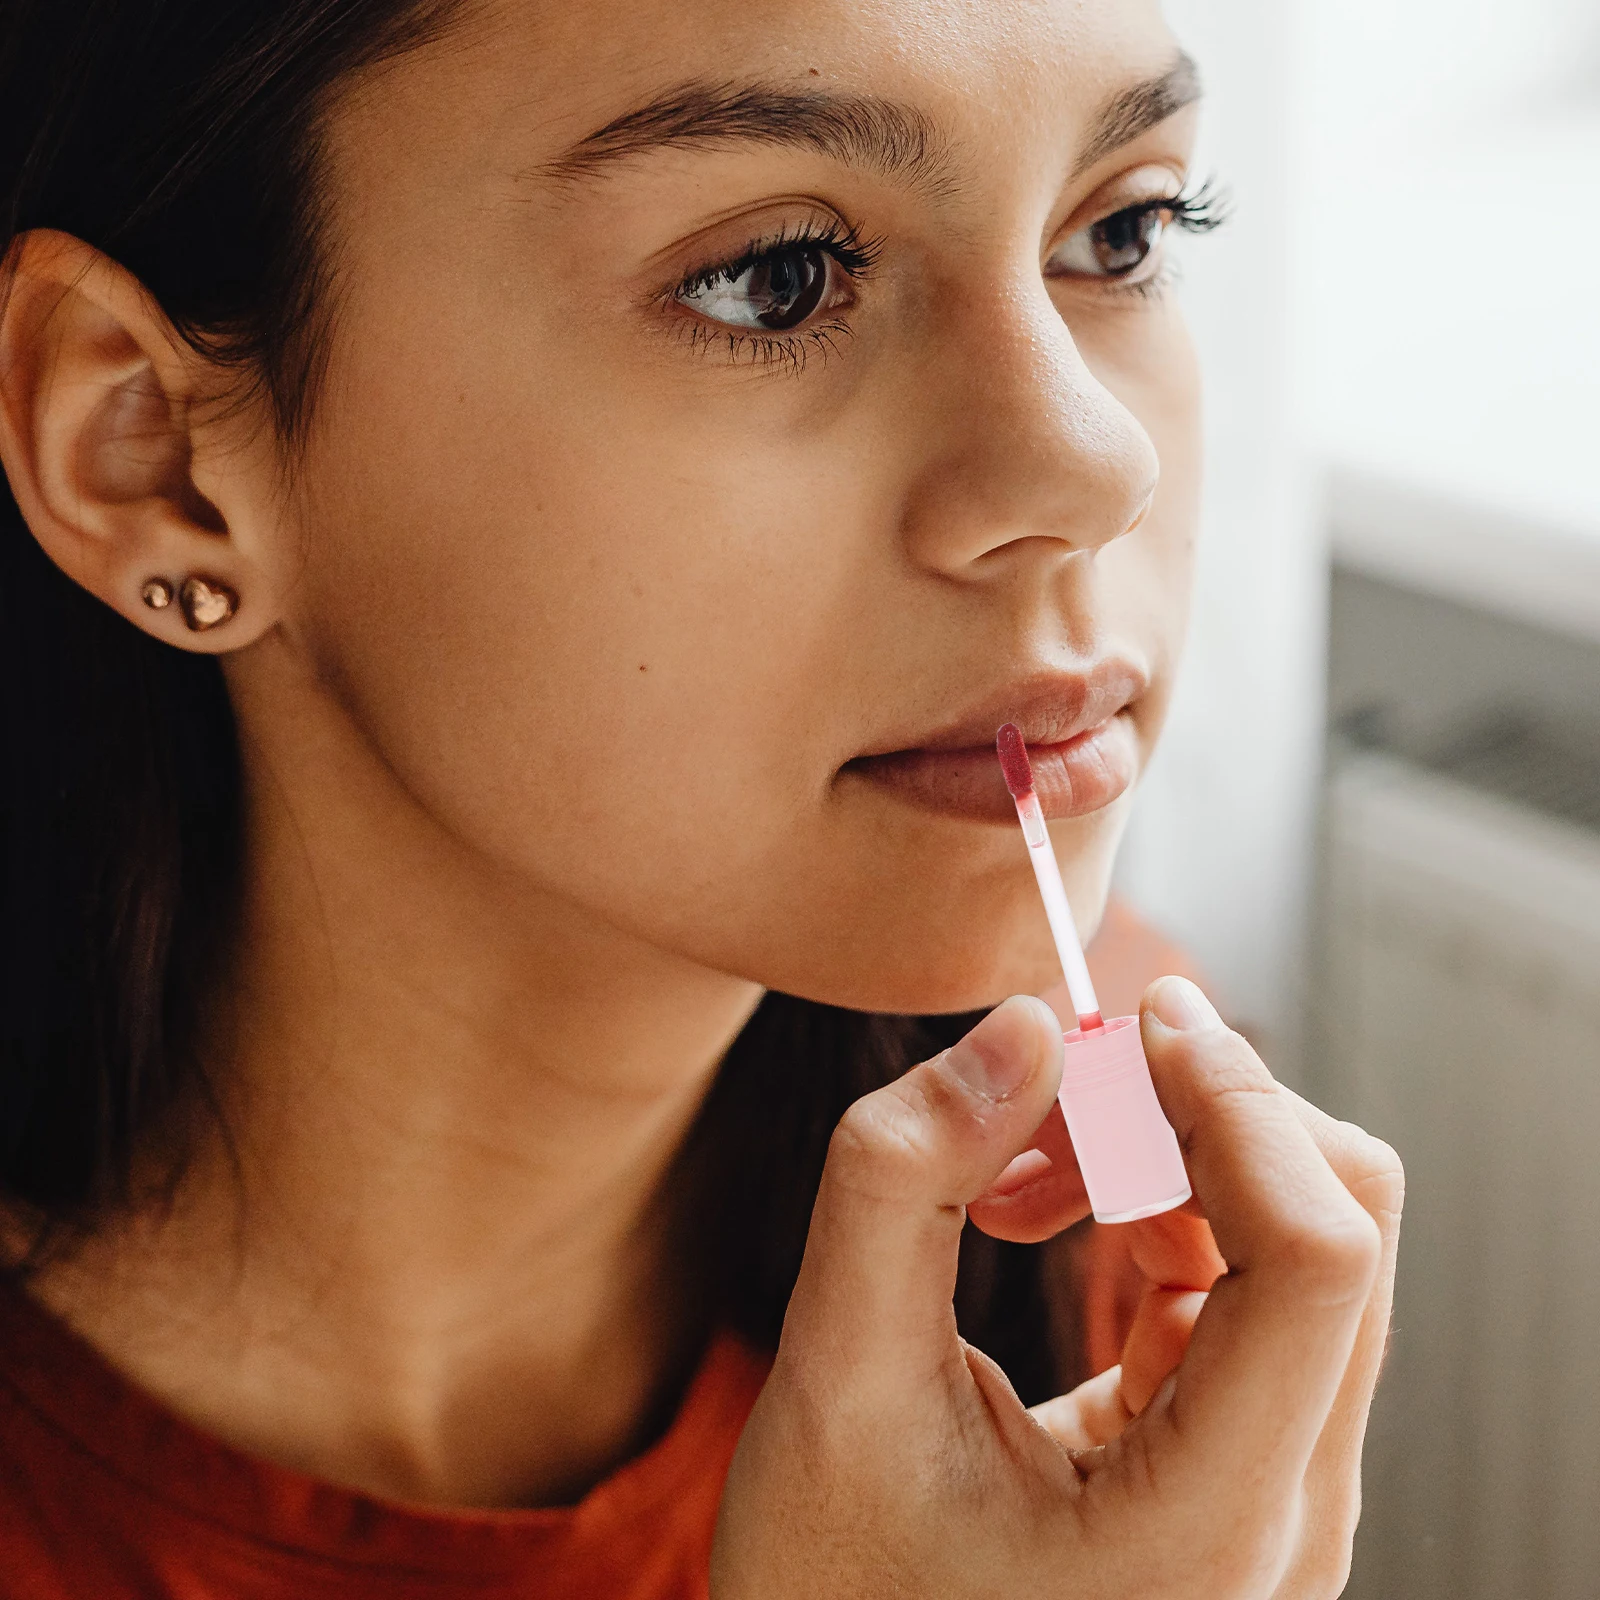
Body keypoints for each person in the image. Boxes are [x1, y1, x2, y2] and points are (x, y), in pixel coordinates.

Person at [0, 0, 1403, 1595]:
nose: (1096, 465)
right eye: (776, 278)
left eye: (1124, 231)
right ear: (152, 454)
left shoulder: (1117, 1172)